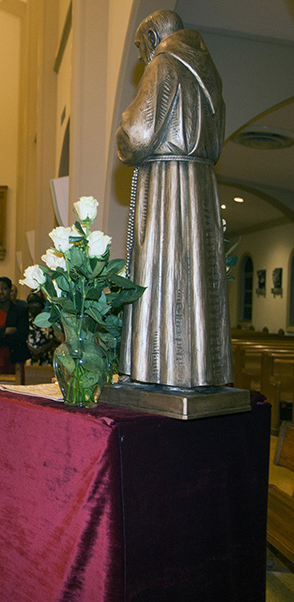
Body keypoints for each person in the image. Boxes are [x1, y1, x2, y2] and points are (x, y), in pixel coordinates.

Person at [116, 10, 231, 388]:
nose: (139, 57)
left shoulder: (164, 62)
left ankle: (159, 371)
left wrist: (123, 122)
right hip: (200, 184)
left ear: (152, 36)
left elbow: (137, 132)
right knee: (194, 270)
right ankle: (199, 371)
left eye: (139, 48)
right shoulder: (209, 74)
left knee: (163, 266)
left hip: (168, 183)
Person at [26, 292, 59, 366]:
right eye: (31, 304)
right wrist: (33, 351)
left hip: (45, 358)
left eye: (37, 304)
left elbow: (52, 339)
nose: (34, 306)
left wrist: (41, 351)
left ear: (41, 306)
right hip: (29, 357)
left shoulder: (47, 321)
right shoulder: (25, 321)